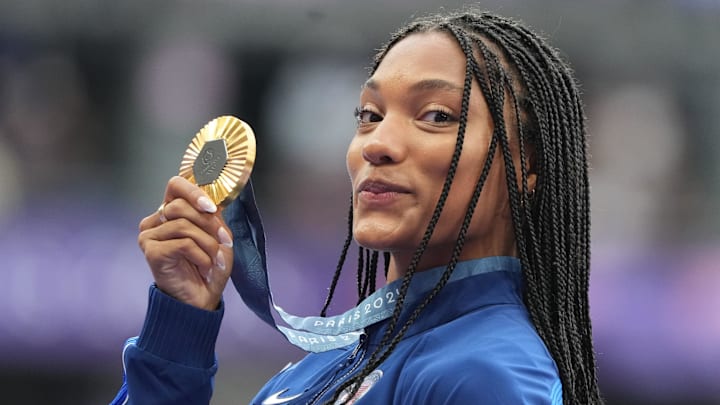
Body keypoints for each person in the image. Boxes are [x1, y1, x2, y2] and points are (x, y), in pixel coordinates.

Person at [111, 10, 603, 405]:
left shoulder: (485, 375)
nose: (377, 144)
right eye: (369, 116)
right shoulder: (329, 365)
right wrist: (179, 324)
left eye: (436, 115)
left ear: (526, 166)